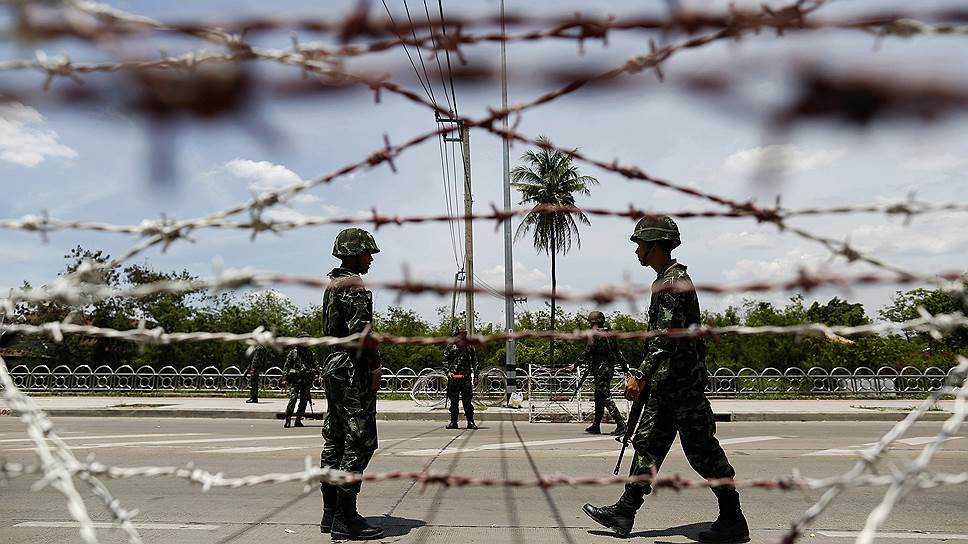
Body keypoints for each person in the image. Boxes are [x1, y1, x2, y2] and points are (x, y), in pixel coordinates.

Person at [582, 216, 750, 543]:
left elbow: (665, 339)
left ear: (655, 245)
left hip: (682, 386)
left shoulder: (674, 282)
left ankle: (733, 518)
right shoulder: (665, 280)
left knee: (702, 452)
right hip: (666, 385)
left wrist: (640, 375)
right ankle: (625, 511)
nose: (636, 251)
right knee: (647, 446)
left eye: (640, 244)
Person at [318, 227, 384, 540]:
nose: (370, 259)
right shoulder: (354, 286)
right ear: (354, 252)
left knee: (335, 438)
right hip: (352, 369)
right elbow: (362, 334)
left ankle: (329, 514)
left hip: (334, 366)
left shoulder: (332, 284)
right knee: (361, 441)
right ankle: (346, 519)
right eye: (367, 252)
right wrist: (375, 367)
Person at [572, 310, 628, 436]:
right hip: (608, 369)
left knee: (605, 397)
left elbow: (587, 352)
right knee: (599, 396)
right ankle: (596, 425)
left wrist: (576, 364)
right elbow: (618, 353)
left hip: (601, 370)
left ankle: (621, 424)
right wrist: (625, 369)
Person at [444, 328, 478, 430]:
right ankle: (453, 422)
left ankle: (470, 421)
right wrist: (448, 372)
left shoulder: (469, 346)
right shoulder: (451, 346)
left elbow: (474, 361)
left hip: (465, 378)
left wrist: (476, 375)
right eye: (461, 334)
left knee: (467, 401)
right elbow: (445, 360)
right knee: (453, 401)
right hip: (453, 378)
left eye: (464, 334)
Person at [282, 339, 315, 428]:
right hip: (295, 380)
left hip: (305, 380)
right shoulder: (293, 353)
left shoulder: (310, 353)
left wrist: (318, 374)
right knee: (293, 399)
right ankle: (288, 419)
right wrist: (284, 379)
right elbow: (287, 366)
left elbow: (315, 364)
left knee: (304, 401)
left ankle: (298, 419)